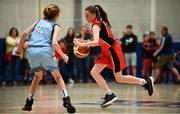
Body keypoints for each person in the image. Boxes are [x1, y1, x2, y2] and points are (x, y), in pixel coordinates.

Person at [74, 4, 154, 108]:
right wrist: (85, 41)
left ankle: (145, 82)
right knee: (94, 72)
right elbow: (99, 41)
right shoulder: (98, 23)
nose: (86, 18)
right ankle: (109, 94)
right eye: (85, 16)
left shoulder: (96, 25)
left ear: (94, 14)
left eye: (87, 15)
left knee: (119, 77)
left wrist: (83, 44)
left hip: (112, 50)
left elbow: (97, 41)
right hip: (107, 51)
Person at [16, 4, 76, 113]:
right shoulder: (55, 26)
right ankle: (66, 99)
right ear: (56, 15)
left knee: (37, 76)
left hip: (31, 52)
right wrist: (64, 56)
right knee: (58, 77)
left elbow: (24, 33)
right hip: (44, 51)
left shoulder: (38, 22)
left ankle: (28, 102)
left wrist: (19, 48)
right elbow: (54, 43)